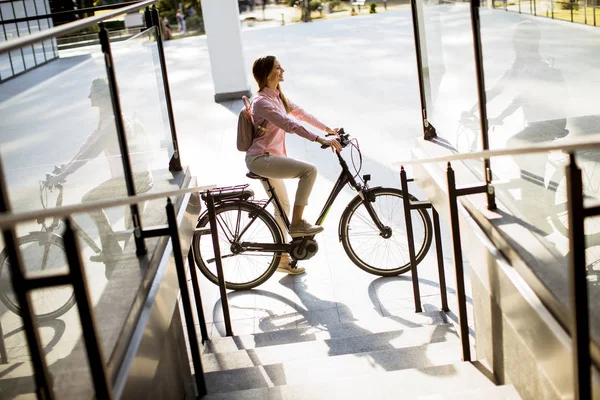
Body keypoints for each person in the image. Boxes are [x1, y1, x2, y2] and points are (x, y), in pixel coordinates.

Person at [45, 78, 153, 278]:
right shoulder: (107, 120)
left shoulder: (113, 122)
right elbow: (87, 145)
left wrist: (64, 174)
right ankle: (121, 261)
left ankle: (112, 251)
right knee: (131, 233)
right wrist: (65, 168)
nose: (88, 96)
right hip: (131, 177)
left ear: (102, 96)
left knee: (89, 200)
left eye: (91, 92)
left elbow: (91, 153)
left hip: (134, 179)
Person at [246, 55, 343, 275]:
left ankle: (281, 258)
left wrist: (329, 130)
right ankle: (298, 224)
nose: (283, 70)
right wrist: (319, 140)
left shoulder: (278, 97)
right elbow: (289, 124)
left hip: (270, 158)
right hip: (261, 159)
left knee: (283, 207)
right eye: (278, 68)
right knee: (309, 170)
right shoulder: (262, 102)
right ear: (266, 74)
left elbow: (301, 114)